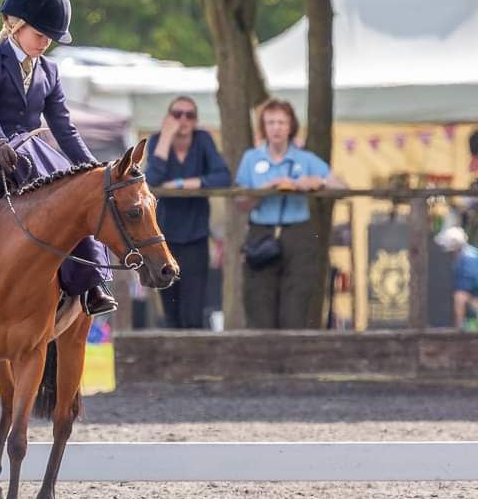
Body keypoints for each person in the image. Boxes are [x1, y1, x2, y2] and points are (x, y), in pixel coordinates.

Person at [0, 0, 116, 316]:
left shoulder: (50, 71)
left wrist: (93, 169)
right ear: (15, 26)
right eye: (40, 35)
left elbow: (63, 126)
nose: (45, 44)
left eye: (51, 39)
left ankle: (92, 283)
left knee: (78, 200)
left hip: (34, 153)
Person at [235, 98, 345, 329]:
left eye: (281, 123)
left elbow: (342, 187)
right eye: (271, 122)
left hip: (298, 234)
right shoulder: (251, 159)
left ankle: (293, 362)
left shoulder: (304, 159)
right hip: (261, 234)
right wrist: (268, 188)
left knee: (296, 305)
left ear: (290, 126)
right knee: (259, 305)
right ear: (263, 127)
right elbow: (240, 203)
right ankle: (264, 361)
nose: (276, 128)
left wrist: (318, 181)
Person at [145, 96, 230, 328]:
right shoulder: (156, 141)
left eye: (189, 115)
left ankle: (194, 362)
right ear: (167, 118)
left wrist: (184, 183)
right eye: (177, 114)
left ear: (196, 121)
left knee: (193, 311)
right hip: (164, 240)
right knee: (170, 309)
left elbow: (223, 176)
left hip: (196, 238)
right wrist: (165, 137)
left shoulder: (203, 140)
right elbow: (151, 179)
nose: (183, 120)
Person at [436, 226, 478, 329]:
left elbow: (461, 296)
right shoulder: (473, 254)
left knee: (459, 296)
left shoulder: (467, 263)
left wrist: (457, 330)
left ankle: (460, 331)